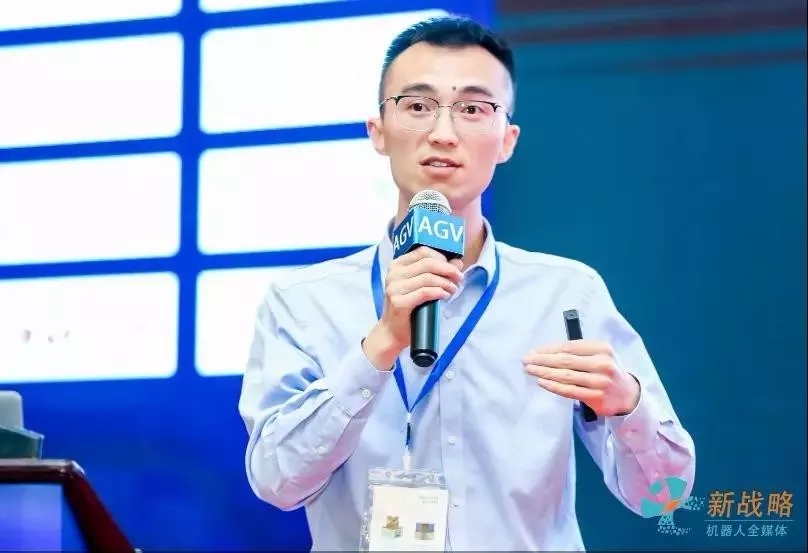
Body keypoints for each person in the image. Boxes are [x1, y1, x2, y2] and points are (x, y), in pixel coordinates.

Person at [238, 14, 696, 551]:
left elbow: (663, 498)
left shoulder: (567, 295)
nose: (443, 133)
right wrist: (379, 346)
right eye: (418, 106)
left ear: (507, 140)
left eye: (473, 109)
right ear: (378, 131)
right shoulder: (302, 304)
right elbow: (276, 483)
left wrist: (626, 404)